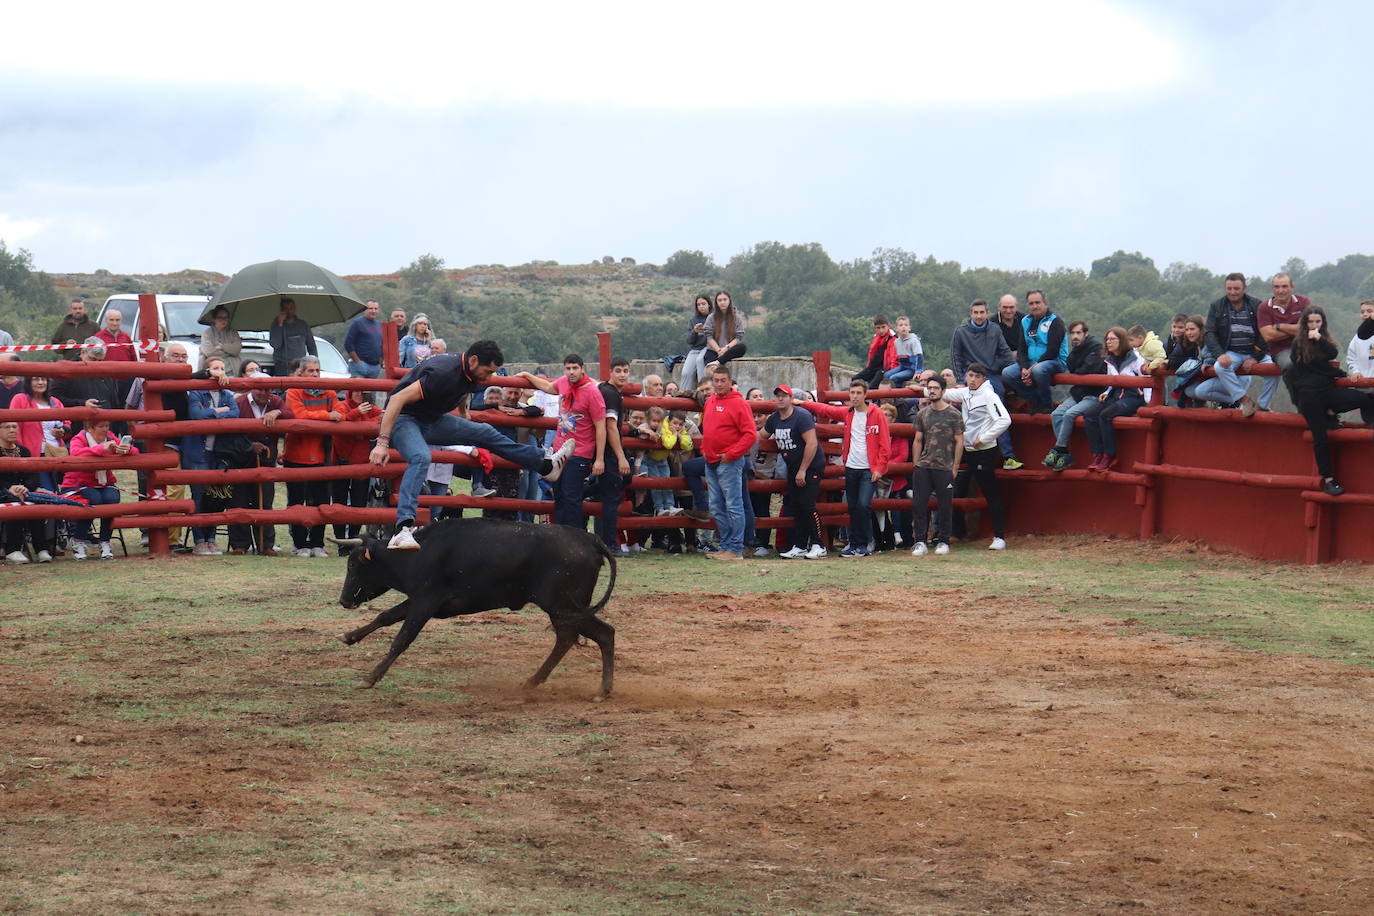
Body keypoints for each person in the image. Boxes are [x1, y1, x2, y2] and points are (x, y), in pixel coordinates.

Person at [370, 341, 570, 550]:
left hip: (432, 419)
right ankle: (403, 529)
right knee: (421, 457)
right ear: (473, 360)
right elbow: (396, 399)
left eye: (493, 372)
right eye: (488, 371)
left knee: (484, 432)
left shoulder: (471, 372)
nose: (489, 378)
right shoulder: (443, 372)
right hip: (403, 419)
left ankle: (545, 465)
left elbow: (461, 388)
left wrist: (463, 411)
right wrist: (382, 443)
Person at [1289, 305, 1374, 496]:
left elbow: (1332, 355)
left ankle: (1335, 414)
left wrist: (1320, 340)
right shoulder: (1297, 344)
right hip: (1309, 396)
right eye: (1310, 322)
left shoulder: (1323, 340)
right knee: (1320, 438)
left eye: (1317, 321)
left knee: (1362, 398)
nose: (1314, 325)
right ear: (1304, 323)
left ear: (1322, 323)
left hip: (1327, 392)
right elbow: (1314, 368)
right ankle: (1328, 480)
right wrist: (1339, 373)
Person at [803, 380, 891, 558]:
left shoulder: (877, 414)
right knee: (852, 507)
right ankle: (854, 544)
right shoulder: (848, 413)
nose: (855, 396)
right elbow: (826, 410)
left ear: (865, 395)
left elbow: (885, 443)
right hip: (851, 467)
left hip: (868, 469)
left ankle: (864, 543)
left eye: (859, 393)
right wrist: (803, 403)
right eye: (852, 393)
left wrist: (880, 468)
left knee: (864, 505)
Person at [519, 355, 606, 530]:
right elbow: (548, 386)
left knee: (571, 496)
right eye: (568, 368)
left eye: (575, 368)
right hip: (559, 450)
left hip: (580, 452)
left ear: (582, 369)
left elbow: (601, 427)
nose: (571, 372)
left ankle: (574, 536)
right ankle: (561, 535)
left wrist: (599, 459)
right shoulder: (563, 383)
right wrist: (528, 376)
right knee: (558, 494)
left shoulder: (593, 392)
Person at [946, 365, 1011, 550]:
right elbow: (947, 394)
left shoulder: (989, 396)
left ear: (983, 378)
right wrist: (924, 390)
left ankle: (999, 536)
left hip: (984, 451)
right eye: (970, 375)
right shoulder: (965, 392)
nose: (972, 379)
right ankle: (952, 532)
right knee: (953, 484)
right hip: (967, 448)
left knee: (990, 492)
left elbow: (1004, 419)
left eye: (976, 376)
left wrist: (984, 438)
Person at [949, 299, 1019, 467]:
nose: (979, 316)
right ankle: (962, 454)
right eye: (976, 312)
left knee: (997, 410)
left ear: (987, 313)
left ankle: (1007, 455)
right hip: (969, 377)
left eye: (982, 312)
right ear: (970, 314)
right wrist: (961, 380)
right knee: (963, 411)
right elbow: (956, 357)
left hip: (990, 377)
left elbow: (1005, 353)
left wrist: (999, 369)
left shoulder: (995, 330)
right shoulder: (961, 332)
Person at [282, 356, 340, 557]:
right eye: (311, 371)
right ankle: (300, 544)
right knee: (297, 501)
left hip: (322, 456)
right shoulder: (293, 391)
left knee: (321, 501)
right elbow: (299, 415)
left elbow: (340, 413)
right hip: (296, 455)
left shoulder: (330, 392)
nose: (315, 374)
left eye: (317, 370)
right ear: (301, 372)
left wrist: (330, 415)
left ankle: (317, 543)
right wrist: (327, 416)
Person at [60, 414, 137, 560]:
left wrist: (126, 449)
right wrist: (101, 449)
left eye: (107, 426)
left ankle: (105, 541)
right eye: (101, 426)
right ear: (90, 427)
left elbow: (135, 452)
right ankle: (78, 540)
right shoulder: (80, 438)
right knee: (93, 499)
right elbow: (75, 453)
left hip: (103, 484)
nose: (105, 430)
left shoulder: (110, 437)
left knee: (112, 498)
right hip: (75, 485)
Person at [229, 376, 290, 556]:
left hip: (266, 456)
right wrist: (249, 447)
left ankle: (266, 544)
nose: (264, 393)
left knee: (265, 500)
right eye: (260, 389)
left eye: (268, 389)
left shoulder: (276, 402)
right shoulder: (239, 403)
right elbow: (230, 431)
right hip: (241, 456)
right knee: (239, 499)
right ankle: (240, 544)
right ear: (251, 388)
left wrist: (277, 413)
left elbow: (290, 413)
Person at [700, 365, 756, 559]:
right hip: (712, 460)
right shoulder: (710, 401)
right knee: (716, 505)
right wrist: (704, 450)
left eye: (723, 380)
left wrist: (731, 454)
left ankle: (735, 548)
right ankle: (725, 545)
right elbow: (706, 429)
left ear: (730, 381)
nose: (719, 384)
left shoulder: (739, 404)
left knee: (733, 504)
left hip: (729, 462)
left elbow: (750, 435)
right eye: (716, 380)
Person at [186, 357, 241, 555]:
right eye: (215, 368)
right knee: (199, 497)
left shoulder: (227, 394)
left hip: (219, 452)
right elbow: (196, 416)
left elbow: (235, 413)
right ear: (207, 371)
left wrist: (211, 412)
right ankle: (200, 540)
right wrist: (220, 411)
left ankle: (212, 538)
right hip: (198, 452)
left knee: (217, 495)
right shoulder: (196, 392)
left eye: (222, 368)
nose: (219, 372)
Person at [765, 385, 826, 559]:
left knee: (808, 504)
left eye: (784, 395)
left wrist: (803, 470)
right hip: (793, 467)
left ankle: (818, 544)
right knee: (797, 506)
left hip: (811, 465)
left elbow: (812, 443)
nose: (780, 399)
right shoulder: (774, 419)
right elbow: (760, 435)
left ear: (791, 398)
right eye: (777, 396)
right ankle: (800, 546)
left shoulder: (802, 416)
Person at [1080, 328, 1150, 472]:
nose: (1108, 342)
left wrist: (1148, 401)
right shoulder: (1109, 359)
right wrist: (1107, 392)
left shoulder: (1136, 357)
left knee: (1105, 415)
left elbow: (1147, 379)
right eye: (1107, 339)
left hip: (1133, 396)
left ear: (1122, 340)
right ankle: (1097, 453)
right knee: (1089, 415)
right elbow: (1111, 379)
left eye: (1112, 339)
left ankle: (1109, 455)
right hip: (1116, 394)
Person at [909, 376, 965, 557]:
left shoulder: (954, 414)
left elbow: (959, 441)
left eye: (935, 388)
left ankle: (943, 541)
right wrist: (916, 464)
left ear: (943, 391)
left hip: (945, 467)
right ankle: (920, 541)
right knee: (919, 504)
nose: (931, 391)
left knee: (945, 506)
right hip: (924, 466)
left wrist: (955, 466)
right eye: (929, 388)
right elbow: (917, 440)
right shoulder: (922, 414)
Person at [1203, 272, 1272, 416]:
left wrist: (1255, 357)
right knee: (1220, 368)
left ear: (1244, 288)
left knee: (1274, 371)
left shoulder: (1257, 305)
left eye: (1236, 288)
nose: (1232, 292)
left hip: (1256, 351)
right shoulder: (1217, 306)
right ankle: (1244, 400)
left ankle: (1263, 405)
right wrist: (1219, 354)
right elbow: (1209, 333)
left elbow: (1266, 333)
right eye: (1229, 289)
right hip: (1232, 352)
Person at [1043, 321, 1105, 471]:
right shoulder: (1077, 349)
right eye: (1073, 333)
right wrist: (1079, 367)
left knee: (1069, 414)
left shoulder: (1095, 347)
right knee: (1056, 414)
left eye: (1078, 333)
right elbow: (1070, 365)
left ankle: (1059, 449)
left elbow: (1087, 368)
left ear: (1086, 333)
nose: (1075, 336)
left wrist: (1080, 368)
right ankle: (1064, 453)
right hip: (1078, 393)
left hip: (1094, 394)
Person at [1000, 290, 1067, 415]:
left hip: (1054, 361)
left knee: (1039, 370)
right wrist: (1024, 368)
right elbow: (1022, 349)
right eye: (1031, 303)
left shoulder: (1055, 321)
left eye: (1038, 302)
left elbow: (1053, 350)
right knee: (1007, 373)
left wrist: (1032, 368)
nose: (1034, 306)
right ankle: (1036, 401)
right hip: (1031, 363)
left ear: (1045, 303)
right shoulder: (1025, 321)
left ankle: (1047, 406)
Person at [331, 388, 380, 548]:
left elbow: (383, 417)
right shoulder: (342, 405)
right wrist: (356, 413)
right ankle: (340, 542)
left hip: (361, 463)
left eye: (363, 392)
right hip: (341, 461)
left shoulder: (370, 408)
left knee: (358, 504)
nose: (359, 395)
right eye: (355, 392)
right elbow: (340, 421)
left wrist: (362, 424)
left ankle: (353, 539)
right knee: (339, 502)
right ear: (349, 393)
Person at [1, 420, 53, 564]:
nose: (12, 430)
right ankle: (13, 549)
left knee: (36, 501)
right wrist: (8, 488)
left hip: (23, 491)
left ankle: (41, 548)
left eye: (14, 427)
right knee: (16, 503)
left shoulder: (23, 451)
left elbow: (33, 475)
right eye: (7, 427)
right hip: (3, 492)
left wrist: (26, 487)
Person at [1257, 272, 1311, 411]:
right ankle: (1301, 403)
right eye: (1276, 287)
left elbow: (1304, 329)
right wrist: (1295, 329)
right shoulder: (1264, 307)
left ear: (1292, 287)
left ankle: (1326, 405)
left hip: (1305, 347)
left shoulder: (1304, 302)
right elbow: (1268, 336)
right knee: (1289, 365)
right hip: (1281, 350)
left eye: (1284, 286)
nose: (1280, 290)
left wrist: (1280, 326)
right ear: (1272, 289)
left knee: (1324, 365)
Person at [595, 357, 632, 549]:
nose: (622, 375)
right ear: (610, 372)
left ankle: (604, 541)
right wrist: (621, 457)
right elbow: (610, 426)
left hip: (602, 451)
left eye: (625, 371)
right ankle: (609, 544)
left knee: (610, 493)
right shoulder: (611, 394)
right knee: (610, 499)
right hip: (608, 453)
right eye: (618, 371)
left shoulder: (604, 389)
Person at [10, 375, 70, 489]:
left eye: (44, 379)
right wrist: (22, 453)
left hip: (56, 454)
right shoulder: (20, 399)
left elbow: (67, 424)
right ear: (28, 382)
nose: (41, 382)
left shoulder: (55, 402)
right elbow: (14, 427)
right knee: (46, 490)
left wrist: (63, 431)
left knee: (60, 490)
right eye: (36, 379)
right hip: (33, 455)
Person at [51, 339, 118, 434]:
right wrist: (82, 404)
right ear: (83, 352)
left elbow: (114, 402)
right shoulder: (66, 370)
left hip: (105, 431)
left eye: (100, 360)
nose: (96, 364)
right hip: (76, 431)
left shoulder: (106, 372)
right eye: (93, 359)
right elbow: (55, 399)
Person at [1169, 315, 1211, 408]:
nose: (1189, 332)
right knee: (1190, 392)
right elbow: (1173, 358)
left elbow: (1211, 358)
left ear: (1201, 329)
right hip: (1195, 382)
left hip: (1209, 378)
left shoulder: (1207, 342)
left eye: (1192, 329)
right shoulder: (1181, 342)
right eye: (1187, 330)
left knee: (1195, 392)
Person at [268, 298, 316, 375]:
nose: (289, 311)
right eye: (286, 309)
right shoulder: (275, 325)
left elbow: (311, 345)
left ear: (295, 309)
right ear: (282, 310)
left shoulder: (303, 325)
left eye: (291, 308)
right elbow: (275, 344)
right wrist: (280, 324)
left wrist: (314, 362)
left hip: (300, 364)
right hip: (282, 365)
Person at [703, 290, 747, 368]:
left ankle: (718, 362)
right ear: (716, 303)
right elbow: (709, 337)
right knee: (709, 368)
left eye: (725, 299)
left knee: (742, 347)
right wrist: (719, 350)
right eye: (719, 300)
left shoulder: (736, 317)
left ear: (729, 301)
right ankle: (717, 362)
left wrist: (726, 348)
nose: (722, 302)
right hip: (714, 350)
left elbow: (738, 337)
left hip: (729, 350)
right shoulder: (711, 317)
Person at [680, 295, 714, 392]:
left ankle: (702, 391)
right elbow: (689, 340)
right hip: (695, 349)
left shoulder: (713, 318)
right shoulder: (693, 320)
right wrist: (694, 331)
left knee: (700, 362)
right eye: (698, 305)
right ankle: (684, 396)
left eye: (703, 304)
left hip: (708, 347)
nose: (701, 306)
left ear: (709, 305)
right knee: (686, 373)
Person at [345, 299, 385, 378]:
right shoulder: (357, 323)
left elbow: (382, 345)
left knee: (371, 390)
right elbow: (348, 344)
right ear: (365, 310)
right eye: (370, 308)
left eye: (375, 309)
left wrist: (380, 363)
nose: (373, 311)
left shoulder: (379, 325)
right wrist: (357, 361)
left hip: (375, 367)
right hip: (359, 366)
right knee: (357, 390)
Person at [854, 315, 897, 386]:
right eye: (878, 328)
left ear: (888, 326)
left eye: (883, 327)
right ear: (875, 328)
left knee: (873, 386)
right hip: (874, 366)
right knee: (855, 380)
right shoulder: (876, 337)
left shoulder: (893, 339)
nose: (881, 330)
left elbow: (893, 357)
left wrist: (892, 371)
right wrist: (868, 366)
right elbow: (871, 353)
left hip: (884, 368)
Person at [199, 306, 243, 374]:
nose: (223, 320)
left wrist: (221, 347)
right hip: (212, 370)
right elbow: (209, 352)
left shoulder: (233, 332)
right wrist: (230, 352)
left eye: (225, 317)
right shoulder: (207, 333)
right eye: (220, 317)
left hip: (232, 370)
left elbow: (237, 350)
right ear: (214, 319)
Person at [886, 316, 924, 386]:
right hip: (903, 366)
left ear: (909, 328)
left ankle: (898, 394)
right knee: (886, 375)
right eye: (901, 325)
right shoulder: (896, 342)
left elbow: (919, 356)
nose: (903, 327)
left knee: (893, 378)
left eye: (906, 325)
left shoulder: (913, 340)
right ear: (896, 329)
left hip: (912, 368)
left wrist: (918, 371)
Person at [1346, 300, 1374, 380]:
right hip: (1363, 385)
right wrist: (1355, 371)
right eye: (1362, 312)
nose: (1365, 314)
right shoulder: (1356, 338)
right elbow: (1351, 359)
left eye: (1369, 311)